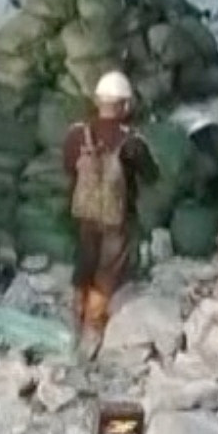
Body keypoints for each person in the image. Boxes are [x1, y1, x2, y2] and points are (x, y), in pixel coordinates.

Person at [59, 71, 157, 353]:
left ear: (98, 101)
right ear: (125, 105)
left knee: (85, 257)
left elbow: (67, 166)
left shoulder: (77, 133)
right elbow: (151, 175)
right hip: (117, 215)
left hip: (84, 212)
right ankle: (93, 322)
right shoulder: (131, 140)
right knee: (108, 268)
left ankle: (75, 310)